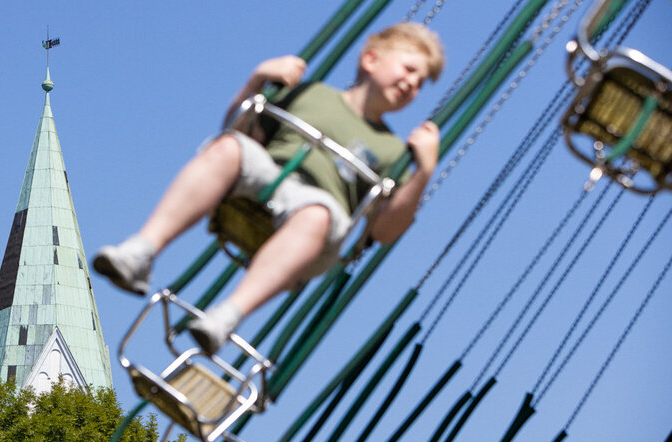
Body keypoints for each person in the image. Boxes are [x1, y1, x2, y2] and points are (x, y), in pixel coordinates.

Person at [93, 22, 445, 356]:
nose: (413, 84)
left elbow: (383, 231)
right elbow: (240, 129)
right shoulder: (313, 94)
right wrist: (258, 79)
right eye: (410, 69)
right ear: (371, 59)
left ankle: (228, 315)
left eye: (421, 82)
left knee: (317, 214)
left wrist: (423, 171)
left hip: (316, 214)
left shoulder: (392, 150)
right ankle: (141, 250)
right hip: (266, 178)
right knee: (228, 147)